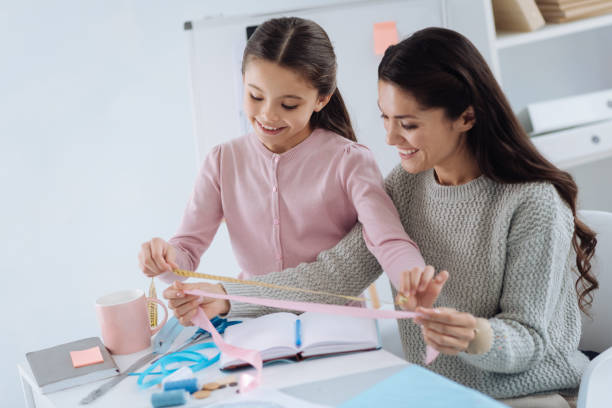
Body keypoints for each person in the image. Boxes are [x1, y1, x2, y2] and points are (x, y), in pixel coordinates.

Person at [164, 27, 598, 406]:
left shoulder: (532, 203)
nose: (389, 138)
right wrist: (228, 296)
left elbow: (531, 340)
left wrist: (477, 336)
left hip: (531, 396)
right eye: (385, 118)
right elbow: (334, 275)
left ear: (466, 116)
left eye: (407, 124)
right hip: (436, 392)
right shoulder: (406, 186)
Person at [139, 17, 435, 307]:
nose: (268, 115)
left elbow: (387, 239)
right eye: (256, 96)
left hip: (336, 325)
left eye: (288, 104)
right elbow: (185, 254)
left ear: (321, 99)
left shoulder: (350, 161)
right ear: (243, 82)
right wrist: (163, 258)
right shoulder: (222, 161)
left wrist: (414, 279)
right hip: (251, 321)